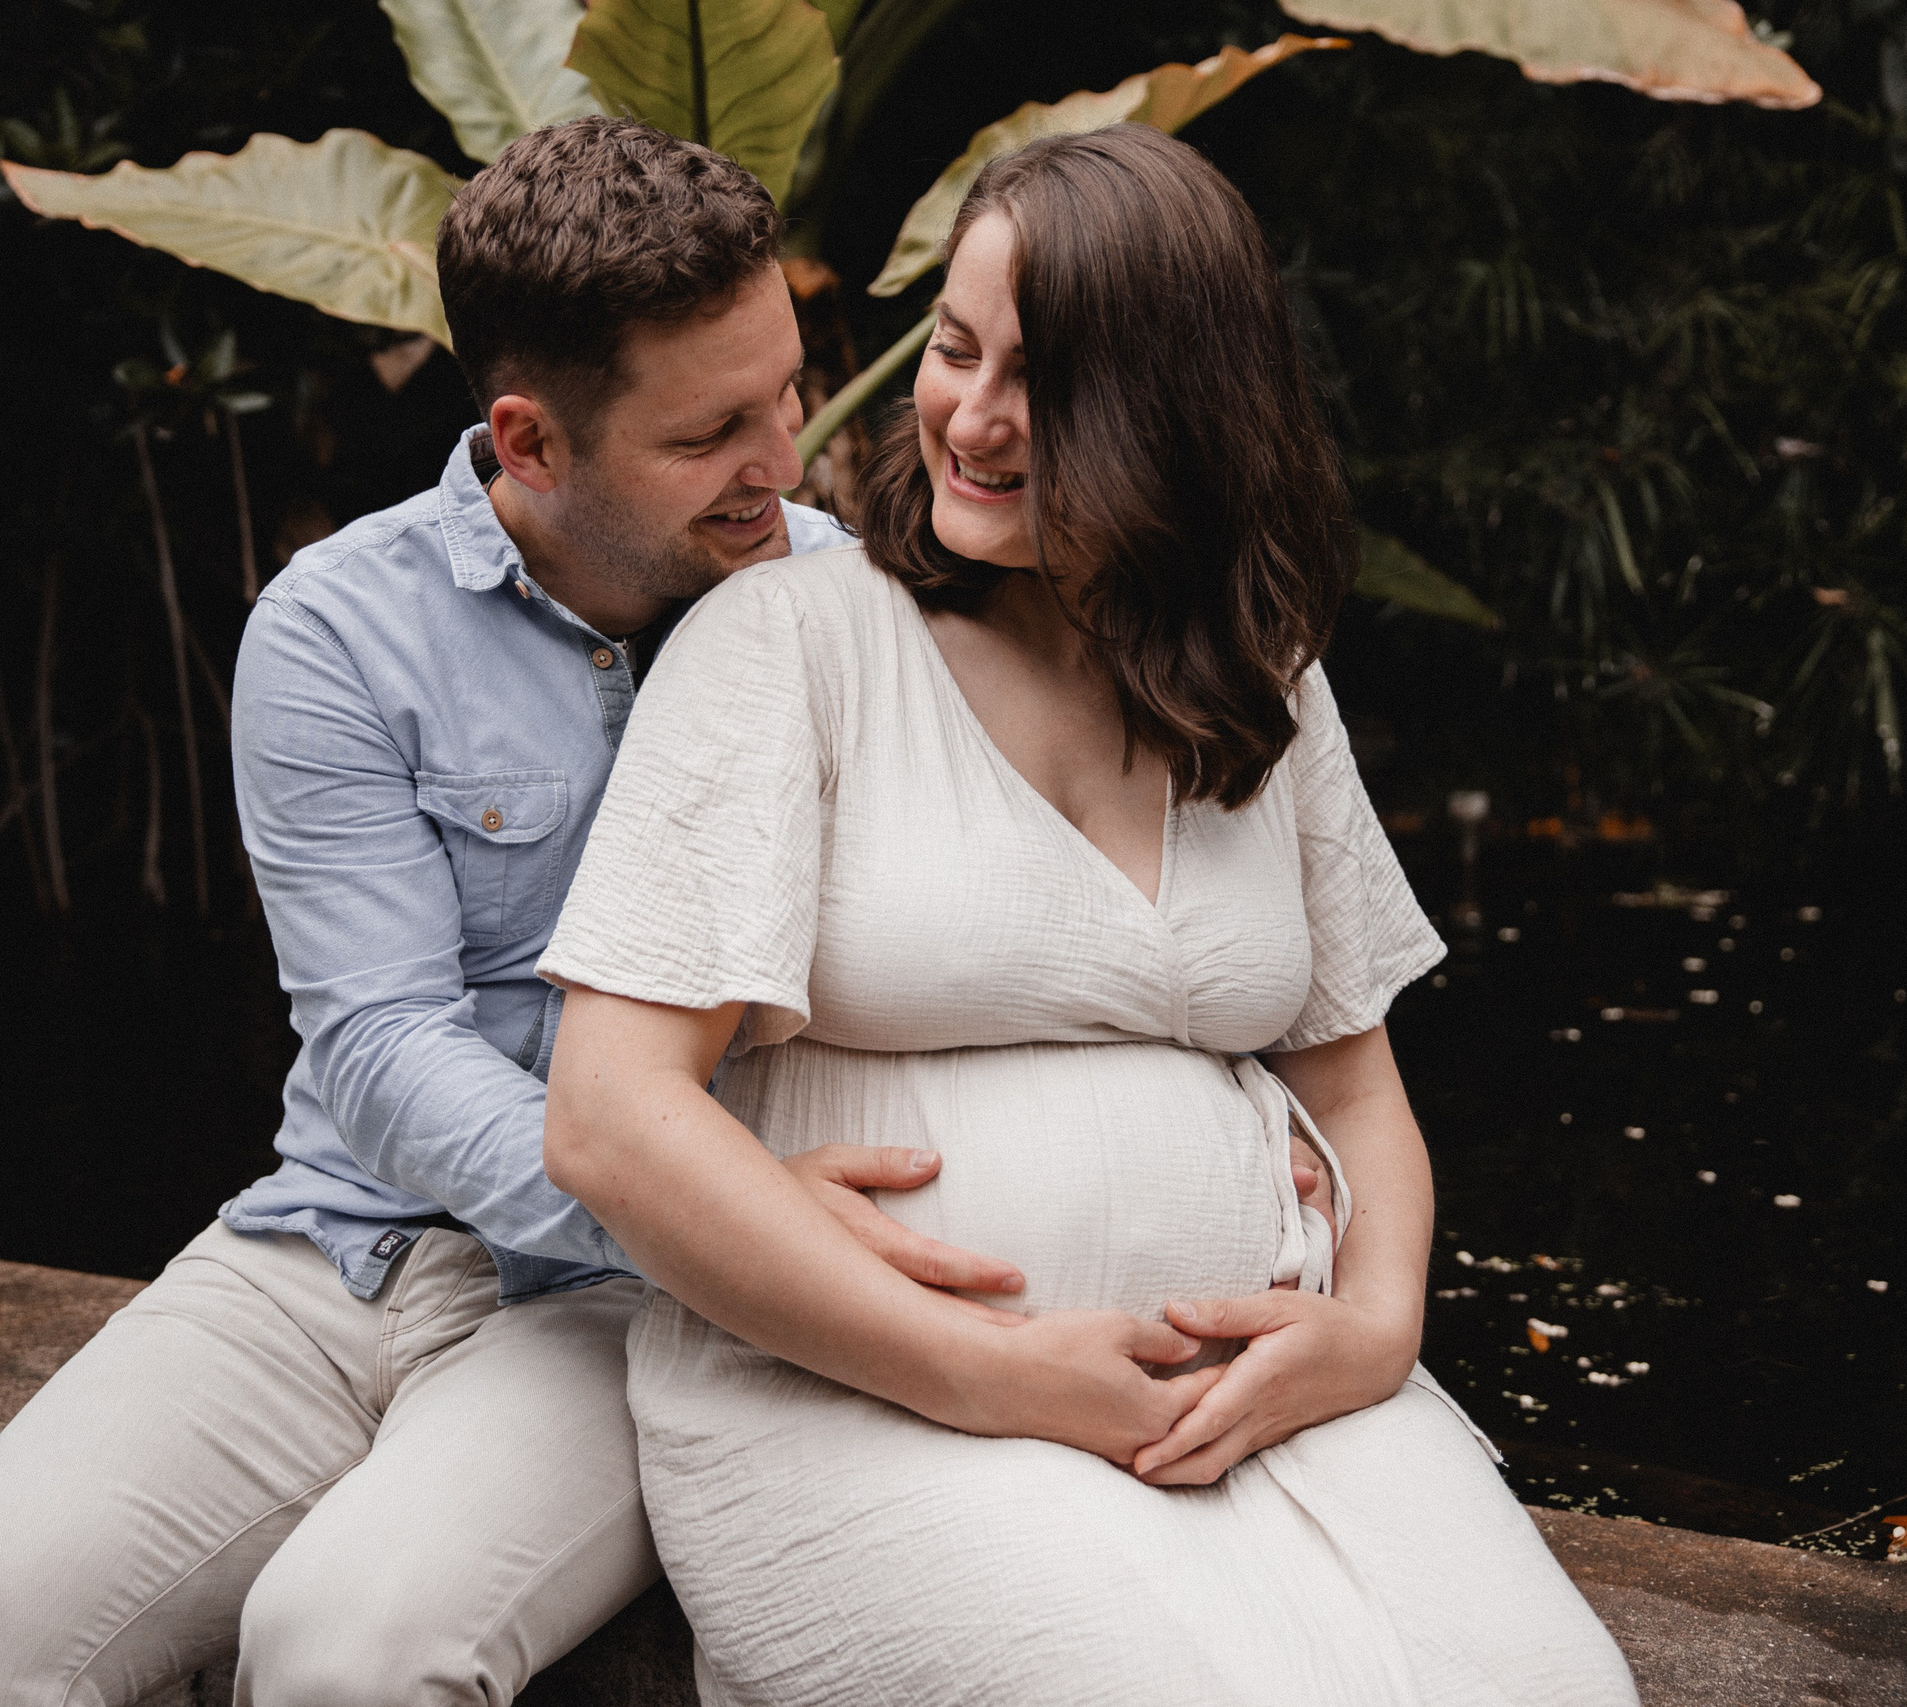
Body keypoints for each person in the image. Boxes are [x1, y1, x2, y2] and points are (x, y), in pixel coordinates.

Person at [0, 118, 1035, 1707]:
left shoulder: (849, 608)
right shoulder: (334, 630)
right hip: (331, 1247)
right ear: (529, 441)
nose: (784, 460)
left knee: (349, 1658)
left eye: (786, 393)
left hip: (635, 1303)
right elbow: (382, 1042)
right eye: (711, 433)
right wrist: (689, 1194)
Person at [536, 126, 1641, 1704]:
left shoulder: (1259, 678)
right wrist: (991, 1371)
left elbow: (1354, 1088)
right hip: (875, 1408)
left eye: (1044, 381)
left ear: (1179, 409)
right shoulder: (790, 644)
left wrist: (1377, 1329)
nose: (973, 419)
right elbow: (611, 1120)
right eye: (955, 351)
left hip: (1263, 1409)